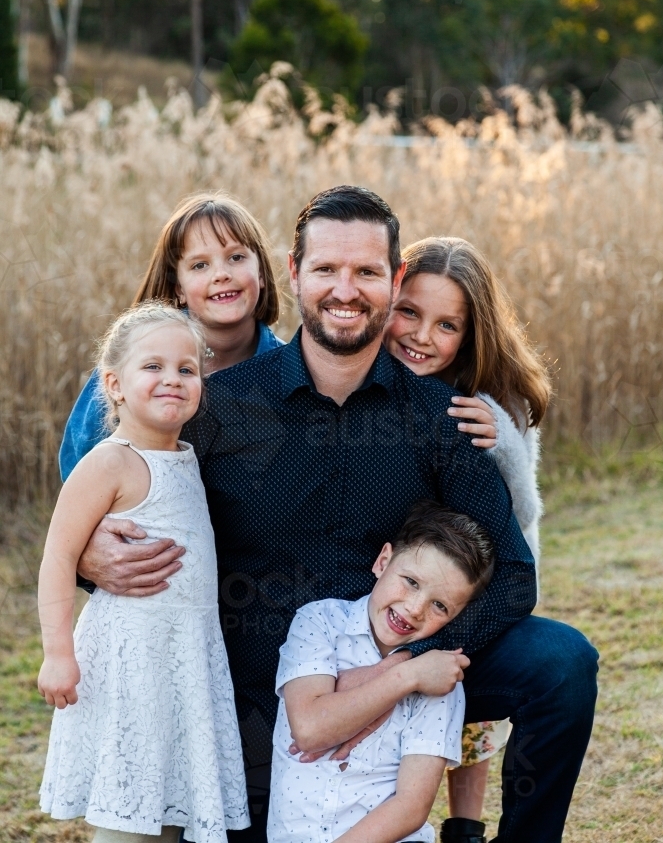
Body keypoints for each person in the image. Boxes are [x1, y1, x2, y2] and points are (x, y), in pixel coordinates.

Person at [75, 186, 598, 843]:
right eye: (325, 269)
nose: (344, 290)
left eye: (366, 272)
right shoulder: (218, 408)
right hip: (253, 691)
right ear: (293, 273)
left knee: (561, 661)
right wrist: (88, 555)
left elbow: (513, 576)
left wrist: (398, 668)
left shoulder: (435, 418)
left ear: (394, 278)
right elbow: (117, 497)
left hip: (400, 647)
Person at [38, 304, 249, 843]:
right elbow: (59, 557)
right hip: (130, 664)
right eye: (152, 367)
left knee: (170, 807)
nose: (172, 379)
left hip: (182, 661)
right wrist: (58, 654)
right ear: (115, 384)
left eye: (186, 369)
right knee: (127, 814)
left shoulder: (188, 458)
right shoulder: (110, 462)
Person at [384, 236, 552, 843]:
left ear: (472, 332)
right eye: (410, 312)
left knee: (471, 717)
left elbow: (527, 509)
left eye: (446, 324)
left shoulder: (490, 398)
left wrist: (502, 439)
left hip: (485, 579)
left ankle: (465, 827)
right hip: (409, 569)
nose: (421, 336)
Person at [269, 501, 495, 843]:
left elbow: (410, 808)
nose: (415, 609)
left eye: (439, 605)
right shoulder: (320, 622)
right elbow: (310, 730)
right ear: (383, 561)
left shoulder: (443, 682)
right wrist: (407, 676)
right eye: (411, 582)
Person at [59, 192, 283, 483]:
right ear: (178, 287)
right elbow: (80, 458)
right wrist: (98, 526)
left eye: (236, 257)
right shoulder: (136, 356)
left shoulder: (288, 375)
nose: (221, 274)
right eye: (199, 265)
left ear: (262, 273)